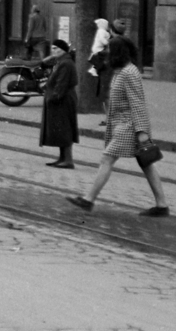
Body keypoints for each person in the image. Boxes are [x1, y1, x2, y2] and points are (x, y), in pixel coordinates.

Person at [71, 37, 170, 216]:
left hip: (129, 126)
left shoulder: (129, 73)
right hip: (122, 124)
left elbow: (138, 104)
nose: (107, 52)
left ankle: (88, 199)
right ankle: (162, 205)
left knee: (107, 159)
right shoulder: (121, 71)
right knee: (145, 162)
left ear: (118, 52)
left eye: (110, 49)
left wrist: (142, 132)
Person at [40, 38, 79, 168]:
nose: (53, 50)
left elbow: (62, 83)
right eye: (52, 48)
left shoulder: (66, 63)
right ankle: (62, 158)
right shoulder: (61, 61)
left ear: (63, 50)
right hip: (61, 99)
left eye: (56, 48)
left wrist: (53, 97)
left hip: (63, 100)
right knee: (61, 130)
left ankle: (68, 160)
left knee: (64, 129)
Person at [87, 17, 113, 92]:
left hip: (97, 48)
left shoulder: (101, 31)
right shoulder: (101, 31)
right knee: (101, 58)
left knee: (100, 59)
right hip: (99, 48)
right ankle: (94, 68)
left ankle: (93, 68)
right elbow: (102, 39)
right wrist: (107, 42)